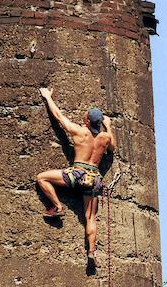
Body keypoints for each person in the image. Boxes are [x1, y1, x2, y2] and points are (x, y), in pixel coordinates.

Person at [36, 87, 116, 267]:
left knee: (42, 177)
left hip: (77, 174)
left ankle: (57, 207)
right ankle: (92, 251)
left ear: (87, 120)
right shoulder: (105, 138)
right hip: (94, 178)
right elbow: (113, 148)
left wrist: (48, 97)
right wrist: (108, 126)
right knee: (91, 218)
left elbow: (59, 117)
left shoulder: (80, 132)